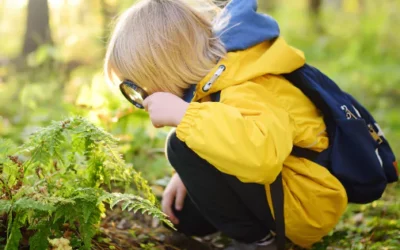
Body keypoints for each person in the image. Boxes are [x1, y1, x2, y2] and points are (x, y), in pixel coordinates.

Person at [104, 0, 348, 249]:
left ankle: (259, 242)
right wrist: (188, 173)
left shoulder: (246, 83)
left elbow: (262, 158)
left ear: (165, 68)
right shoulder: (215, 79)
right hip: (281, 190)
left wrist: (185, 117)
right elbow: (226, 130)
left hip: (305, 202)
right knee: (184, 217)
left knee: (179, 146)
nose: (141, 100)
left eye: (138, 88)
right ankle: (243, 229)